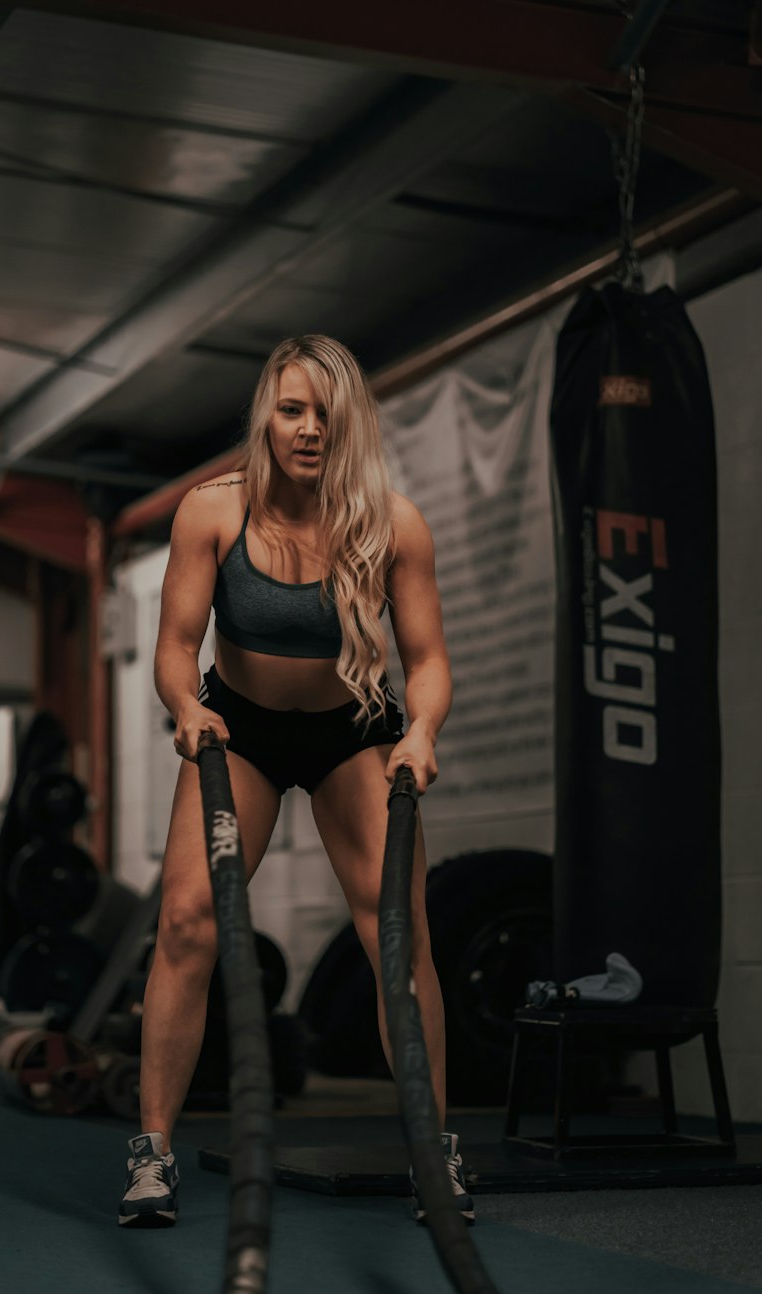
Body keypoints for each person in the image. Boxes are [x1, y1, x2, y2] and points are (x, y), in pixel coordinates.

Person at [118, 334, 473, 1229]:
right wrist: (185, 710)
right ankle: (152, 1153)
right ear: (266, 418)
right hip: (239, 729)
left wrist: (422, 729)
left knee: (398, 939)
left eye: (326, 413)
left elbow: (427, 660)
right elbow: (172, 648)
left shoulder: (393, 524)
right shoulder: (212, 512)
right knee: (188, 923)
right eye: (292, 410)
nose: (309, 428)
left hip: (355, 731)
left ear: (347, 423)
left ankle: (436, 1151)